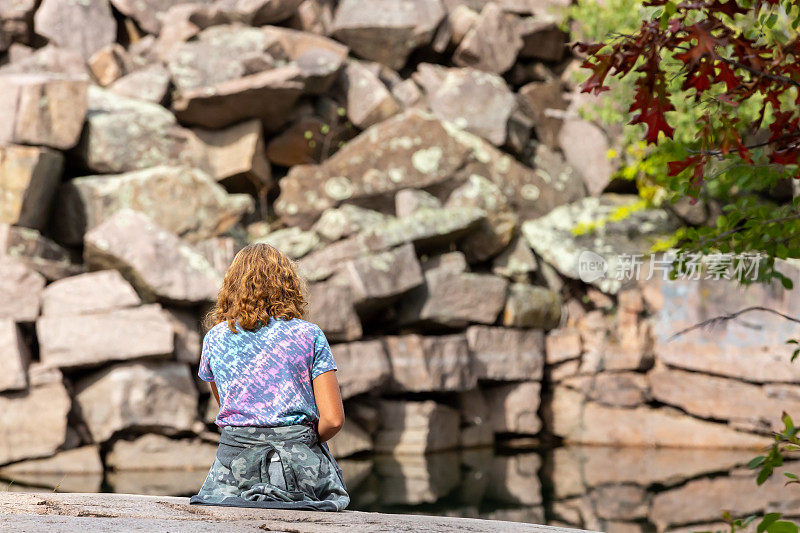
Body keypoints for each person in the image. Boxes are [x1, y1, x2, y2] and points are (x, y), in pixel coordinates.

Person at [189, 243, 349, 511]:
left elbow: (231, 408)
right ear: (289, 284)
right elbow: (332, 420)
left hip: (232, 472)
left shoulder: (215, 339)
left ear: (232, 286)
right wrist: (298, 441)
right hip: (299, 473)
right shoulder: (309, 335)